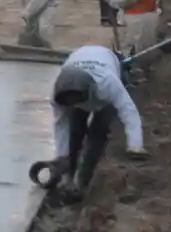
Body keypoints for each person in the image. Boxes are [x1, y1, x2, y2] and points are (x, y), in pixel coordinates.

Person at [48, 44, 148, 199]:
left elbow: (128, 111)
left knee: (97, 134)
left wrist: (135, 145)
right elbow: (61, 124)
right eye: (70, 102)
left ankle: (84, 182)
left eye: (77, 100)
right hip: (79, 57)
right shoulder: (60, 93)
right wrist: (62, 155)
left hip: (104, 74)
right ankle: (68, 179)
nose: (74, 104)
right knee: (75, 132)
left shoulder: (109, 83)